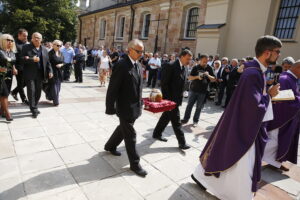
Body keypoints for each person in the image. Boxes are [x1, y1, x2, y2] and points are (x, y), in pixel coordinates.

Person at [191, 35, 282, 200]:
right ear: (267, 53)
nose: (279, 55)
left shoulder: (256, 71)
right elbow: (253, 106)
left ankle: (205, 179)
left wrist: (266, 94)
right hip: (244, 126)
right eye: (277, 52)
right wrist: (269, 95)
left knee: (228, 152)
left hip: (241, 122)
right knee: (239, 159)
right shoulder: (253, 74)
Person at [104, 39, 147, 177]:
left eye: (142, 51)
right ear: (129, 50)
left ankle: (110, 146)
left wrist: (141, 102)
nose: (141, 54)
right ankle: (135, 164)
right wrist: (110, 107)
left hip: (135, 107)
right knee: (131, 135)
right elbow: (112, 89)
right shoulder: (121, 65)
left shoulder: (138, 65)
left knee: (122, 129)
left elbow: (138, 87)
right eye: (138, 51)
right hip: (124, 108)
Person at [263, 60, 300, 171]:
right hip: (281, 117)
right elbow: (281, 99)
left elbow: (293, 95)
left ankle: (275, 162)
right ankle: (250, 156)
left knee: (280, 141)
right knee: (274, 141)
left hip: (290, 117)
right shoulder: (285, 79)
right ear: (298, 68)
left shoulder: (292, 79)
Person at [152, 49, 193, 150]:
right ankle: (182, 143)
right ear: (182, 56)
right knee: (176, 121)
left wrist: (185, 91)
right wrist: (168, 101)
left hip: (177, 98)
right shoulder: (170, 65)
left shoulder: (185, 67)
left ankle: (156, 133)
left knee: (166, 117)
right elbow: (164, 84)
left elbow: (183, 81)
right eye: (188, 59)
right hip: (170, 100)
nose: (189, 61)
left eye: (190, 60)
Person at [22, 32, 53, 118]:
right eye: (35, 37)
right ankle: (33, 109)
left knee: (38, 92)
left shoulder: (44, 49)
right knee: (31, 91)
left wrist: (50, 71)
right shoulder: (26, 47)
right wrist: (32, 59)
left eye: (38, 38)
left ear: (41, 39)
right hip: (30, 74)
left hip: (40, 74)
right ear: (32, 38)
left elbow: (48, 62)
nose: (36, 39)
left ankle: (34, 105)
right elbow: (21, 59)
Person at [181, 54, 216, 127]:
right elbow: (189, 78)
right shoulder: (196, 67)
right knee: (189, 105)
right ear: (200, 60)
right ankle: (185, 119)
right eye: (204, 61)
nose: (205, 63)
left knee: (199, 107)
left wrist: (208, 75)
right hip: (193, 90)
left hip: (203, 91)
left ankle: (195, 121)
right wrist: (197, 77)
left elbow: (214, 79)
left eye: (206, 61)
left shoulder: (209, 68)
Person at [0, 34, 17, 121]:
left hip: (9, 75)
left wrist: (14, 69)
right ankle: (7, 114)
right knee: (4, 94)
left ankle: (1, 111)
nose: (10, 42)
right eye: (8, 40)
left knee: (5, 94)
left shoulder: (11, 52)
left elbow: (12, 63)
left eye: (11, 40)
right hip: (0, 76)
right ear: (2, 40)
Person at [11, 29, 29, 105]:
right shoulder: (14, 44)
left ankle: (14, 92)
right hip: (18, 67)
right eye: (24, 36)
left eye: (26, 36)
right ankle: (24, 99)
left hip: (27, 66)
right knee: (20, 83)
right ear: (19, 35)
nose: (26, 37)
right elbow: (12, 57)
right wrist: (14, 68)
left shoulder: (27, 43)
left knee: (26, 82)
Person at [48, 40, 64, 106]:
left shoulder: (61, 53)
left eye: (60, 45)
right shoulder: (50, 53)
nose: (59, 47)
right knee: (54, 87)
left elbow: (63, 62)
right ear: (53, 45)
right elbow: (48, 63)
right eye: (57, 45)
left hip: (59, 72)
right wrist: (50, 72)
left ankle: (51, 96)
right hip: (53, 72)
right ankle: (56, 102)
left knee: (58, 87)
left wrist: (61, 65)